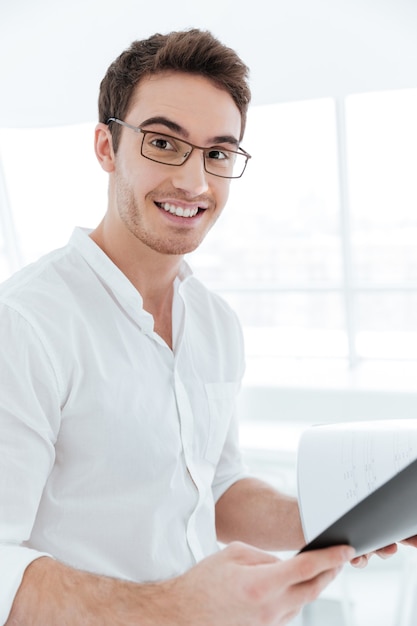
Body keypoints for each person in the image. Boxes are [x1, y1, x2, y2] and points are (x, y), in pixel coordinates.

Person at [0, 28, 401, 626]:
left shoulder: (216, 323)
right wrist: (172, 608)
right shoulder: (26, 324)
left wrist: (338, 517)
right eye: (164, 143)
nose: (194, 183)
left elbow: (212, 487)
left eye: (217, 152)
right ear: (106, 148)